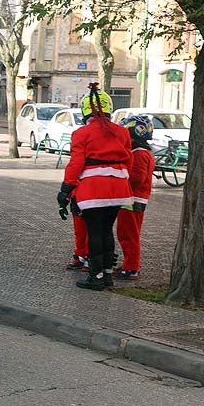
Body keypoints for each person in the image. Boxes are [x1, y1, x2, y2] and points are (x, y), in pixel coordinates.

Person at [56, 84, 132, 290]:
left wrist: (65, 190)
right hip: (119, 188)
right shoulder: (122, 132)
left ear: (85, 110)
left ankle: (95, 277)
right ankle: (107, 275)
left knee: (94, 232)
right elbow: (129, 162)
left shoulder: (82, 133)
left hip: (93, 190)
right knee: (108, 230)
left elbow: (76, 164)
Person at [114, 115, 156, 280]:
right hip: (132, 200)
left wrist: (120, 178)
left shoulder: (139, 154)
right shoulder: (140, 152)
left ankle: (131, 267)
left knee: (128, 235)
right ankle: (129, 264)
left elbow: (136, 178)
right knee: (127, 234)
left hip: (132, 201)